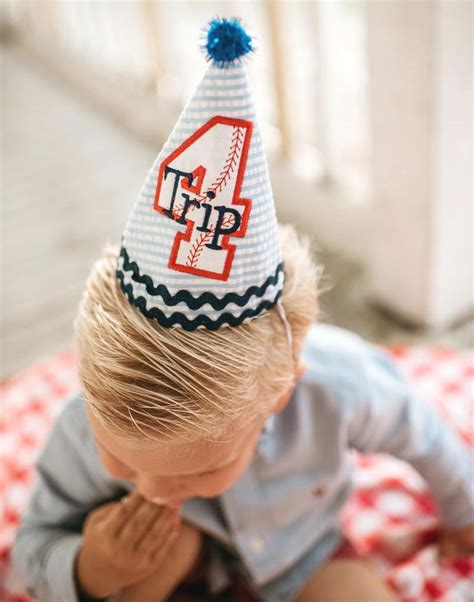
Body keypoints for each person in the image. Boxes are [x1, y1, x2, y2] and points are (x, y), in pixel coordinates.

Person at [12, 17, 473, 602]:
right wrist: (91, 568)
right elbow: (32, 545)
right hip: (167, 567)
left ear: (280, 394)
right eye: (121, 460)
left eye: (198, 470)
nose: (154, 490)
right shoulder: (84, 423)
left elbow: (423, 433)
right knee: (153, 561)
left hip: (300, 554)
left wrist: (464, 510)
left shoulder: (338, 384)